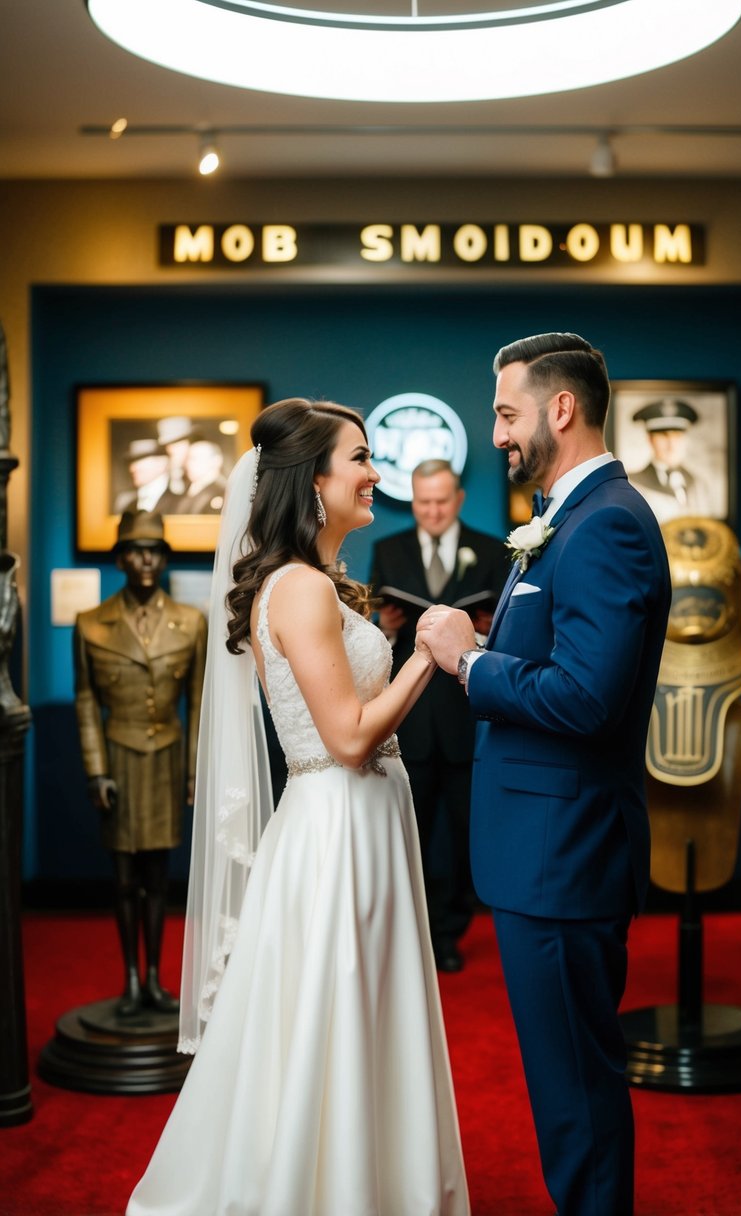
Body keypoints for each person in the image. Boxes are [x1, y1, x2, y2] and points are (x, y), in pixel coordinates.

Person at [126, 399, 469, 1216]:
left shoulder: (319, 586)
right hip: (337, 822)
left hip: (368, 818)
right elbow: (348, 738)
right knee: (332, 1014)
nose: (374, 474)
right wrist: (428, 652)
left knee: (364, 1010)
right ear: (312, 482)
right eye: (359, 458)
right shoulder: (302, 591)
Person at [418, 332, 671, 1216]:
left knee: (578, 1103)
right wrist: (487, 651)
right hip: (543, 853)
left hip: (565, 858)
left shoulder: (604, 526)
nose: (496, 434)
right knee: (566, 1093)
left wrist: (468, 663)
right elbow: (565, 669)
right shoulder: (569, 518)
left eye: (504, 412)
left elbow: (587, 700)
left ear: (559, 408)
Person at [369, 458, 508, 972]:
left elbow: (504, 638)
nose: (431, 510)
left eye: (441, 501)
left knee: (467, 835)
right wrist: (384, 625)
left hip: (470, 715)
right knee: (413, 833)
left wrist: (488, 629)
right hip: (411, 719)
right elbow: (377, 644)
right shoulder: (389, 550)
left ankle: (451, 932)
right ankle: (416, 931)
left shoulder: (494, 550)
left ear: (458, 499)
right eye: (423, 501)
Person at [74, 510, 207, 1017]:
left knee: (158, 875)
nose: (146, 559)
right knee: (124, 877)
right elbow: (86, 700)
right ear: (120, 558)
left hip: (167, 759)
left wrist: (194, 771)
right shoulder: (92, 624)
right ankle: (130, 977)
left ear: (165, 557)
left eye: (155, 549)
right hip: (119, 761)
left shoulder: (191, 622)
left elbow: (196, 703)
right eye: (135, 549)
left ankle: (154, 978)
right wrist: (95, 770)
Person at [628, 397, 715, 523]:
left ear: (686, 439)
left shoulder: (698, 485)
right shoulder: (633, 485)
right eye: (663, 436)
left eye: (677, 435)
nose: (671, 444)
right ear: (650, 439)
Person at [113, 439, 182, 515]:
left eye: (139, 460)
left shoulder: (179, 502)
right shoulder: (127, 504)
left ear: (161, 462)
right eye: (131, 462)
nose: (132, 468)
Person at [175, 437, 227, 514]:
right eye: (187, 459)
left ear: (216, 461)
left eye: (194, 458)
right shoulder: (186, 489)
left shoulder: (224, 491)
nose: (188, 464)